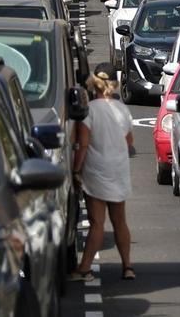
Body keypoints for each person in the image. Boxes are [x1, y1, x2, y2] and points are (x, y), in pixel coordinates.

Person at [70, 64, 135, 282]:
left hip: (96, 171)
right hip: (118, 169)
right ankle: (127, 267)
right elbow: (129, 142)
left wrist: (76, 170)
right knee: (120, 222)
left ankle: (85, 268)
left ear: (93, 83)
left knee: (98, 222)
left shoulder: (89, 111)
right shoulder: (122, 109)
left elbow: (84, 144)